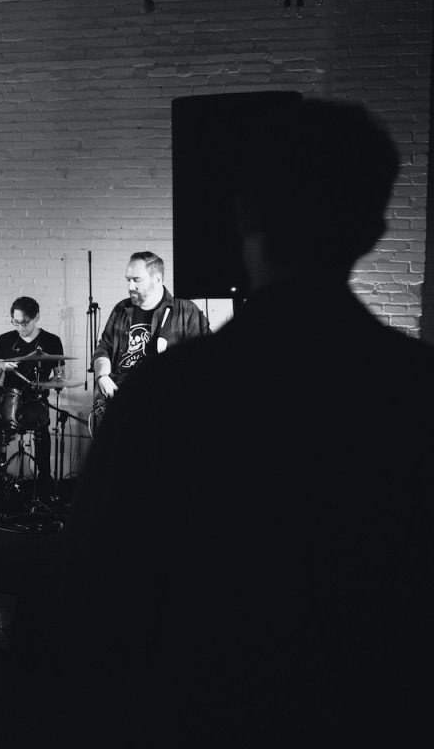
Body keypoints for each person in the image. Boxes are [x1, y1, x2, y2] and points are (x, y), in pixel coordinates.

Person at [62, 99, 434, 747]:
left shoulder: (168, 394)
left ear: (243, 215)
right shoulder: (414, 388)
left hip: (198, 707)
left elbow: (92, 598)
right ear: (374, 231)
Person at [90, 251, 211, 423]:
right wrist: (102, 377)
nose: (130, 286)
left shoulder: (186, 311)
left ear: (157, 279)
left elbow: (206, 358)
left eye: (136, 280)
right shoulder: (121, 309)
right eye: (128, 280)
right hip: (120, 402)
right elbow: (103, 347)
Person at [0, 296, 65, 498]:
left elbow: (60, 380)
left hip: (36, 401)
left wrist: (44, 383)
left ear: (36, 317)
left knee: (42, 433)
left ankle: (44, 482)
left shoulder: (51, 341)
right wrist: (1, 365)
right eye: (15, 322)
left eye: (24, 322)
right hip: (9, 399)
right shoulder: (5, 340)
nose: (20, 327)